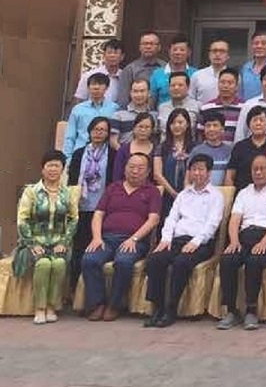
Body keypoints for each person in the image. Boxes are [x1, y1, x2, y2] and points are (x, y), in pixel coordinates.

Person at [144, 153, 224, 328]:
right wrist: (165, 239)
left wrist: (196, 242)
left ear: (209, 172)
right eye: (194, 169)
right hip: (177, 240)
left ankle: (171, 309)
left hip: (201, 243)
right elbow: (171, 218)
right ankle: (157, 308)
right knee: (155, 259)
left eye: (201, 169)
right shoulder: (183, 194)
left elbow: (212, 224)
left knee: (181, 262)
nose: (197, 173)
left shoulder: (216, 196)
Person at [82, 152, 161, 321]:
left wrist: (134, 239)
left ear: (148, 172)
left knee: (123, 262)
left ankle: (114, 305)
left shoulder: (152, 191)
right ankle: (97, 304)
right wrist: (97, 237)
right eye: (131, 167)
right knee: (89, 259)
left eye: (140, 168)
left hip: (134, 240)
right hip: (106, 238)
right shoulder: (113, 188)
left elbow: (153, 219)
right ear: (125, 169)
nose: (135, 171)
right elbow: (98, 214)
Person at [217, 154, 266, 331]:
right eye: (255, 169)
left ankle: (251, 310)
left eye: (262, 168)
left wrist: (264, 243)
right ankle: (231, 311)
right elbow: (234, 220)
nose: (258, 172)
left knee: (254, 261)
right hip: (244, 237)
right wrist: (234, 241)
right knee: (227, 259)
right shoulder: (244, 192)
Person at [15, 151, 78, 325]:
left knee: (59, 264)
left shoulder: (67, 193)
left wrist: (64, 242)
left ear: (62, 170)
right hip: (33, 243)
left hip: (58, 243)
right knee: (43, 264)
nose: (53, 169)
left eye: (57, 166)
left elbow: (73, 219)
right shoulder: (31, 192)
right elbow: (22, 220)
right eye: (49, 165)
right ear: (42, 169)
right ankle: (40, 308)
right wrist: (32, 243)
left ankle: (52, 306)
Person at [67, 117, 116, 293]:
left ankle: (91, 291)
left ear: (108, 133)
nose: (98, 133)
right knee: (79, 248)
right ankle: (74, 289)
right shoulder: (79, 153)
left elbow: (114, 181)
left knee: (95, 249)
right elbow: (72, 180)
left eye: (103, 130)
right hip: (81, 206)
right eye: (95, 129)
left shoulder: (113, 154)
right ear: (89, 131)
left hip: (102, 209)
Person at [224, 106, 266, 192]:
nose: (258, 123)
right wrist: (229, 195)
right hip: (243, 195)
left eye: (261, 120)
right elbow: (230, 175)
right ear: (249, 124)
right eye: (255, 120)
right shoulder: (240, 146)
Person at [153, 108, 197, 217]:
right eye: (173, 123)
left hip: (191, 195)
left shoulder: (195, 147)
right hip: (167, 195)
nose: (176, 126)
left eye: (180, 122)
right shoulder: (162, 147)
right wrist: (173, 193)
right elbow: (157, 174)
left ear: (187, 124)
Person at [64, 72, 118, 159]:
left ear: (107, 87)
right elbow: (70, 136)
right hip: (80, 153)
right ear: (88, 87)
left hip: (104, 155)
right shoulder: (78, 109)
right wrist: (68, 158)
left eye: (100, 84)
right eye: (93, 84)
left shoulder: (114, 109)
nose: (96, 87)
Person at [116, 31, 165, 107]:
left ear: (159, 47)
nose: (148, 47)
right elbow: (123, 99)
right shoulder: (130, 70)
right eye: (145, 44)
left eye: (152, 44)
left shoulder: (165, 68)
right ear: (140, 47)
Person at [150, 34, 197, 107]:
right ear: (169, 52)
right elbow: (152, 101)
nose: (177, 53)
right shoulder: (157, 74)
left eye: (182, 50)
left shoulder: (195, 74)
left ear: (189, 53)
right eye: (174, 50)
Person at [188, 111, 233, 186]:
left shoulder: (229, 151)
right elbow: (188, 178)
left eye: (215, 125)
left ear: (222, 129)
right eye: (208, 126)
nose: (211, 129)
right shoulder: (197, 151)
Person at [73, 37, 122, 106]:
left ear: (122, 56)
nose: (112, 56)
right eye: (109, 53)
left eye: (116, 53)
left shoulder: (124, 76)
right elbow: (80, 100)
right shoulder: (89, 75)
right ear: (103, 56)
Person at [198, 68, 242, 142]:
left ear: (237, 86)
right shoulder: (206, 108)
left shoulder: (244, 107)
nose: (225, 86)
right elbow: (200, 133)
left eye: (230, 83)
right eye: (222, 82)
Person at [110, 79, 157, 148]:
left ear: (149, 93)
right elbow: (113, 141)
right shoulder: (119, 115)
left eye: (142, 91)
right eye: (135, 91)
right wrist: (124, 152)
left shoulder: (154, 115)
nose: (138, 95)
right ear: (130, 93)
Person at [111, 112, 157, 182]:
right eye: (140, 126)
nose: (143, 130)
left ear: (152, 130)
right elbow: (117, 176)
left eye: (147, 127)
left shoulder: (157, 150)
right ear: (134, 128)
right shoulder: (123, 149)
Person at [189, 39, 230, 104]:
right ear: (209, 54)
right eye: (214, 51)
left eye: (222, 51)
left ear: (228, 56)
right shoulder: (197, 76)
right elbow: (190, 99)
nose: (217, 54)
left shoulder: (235, 76)